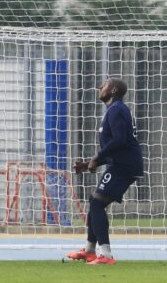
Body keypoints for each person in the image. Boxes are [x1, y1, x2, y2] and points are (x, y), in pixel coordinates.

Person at [66, 77, 144, 265]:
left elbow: (120, 140)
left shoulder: (117, 109)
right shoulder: (114, 110)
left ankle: (106, 255)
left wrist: (96, 158)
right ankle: (90, 250)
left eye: (105, 85)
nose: (100, 87)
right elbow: (117, 145)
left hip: (124, 166)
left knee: (97, 204)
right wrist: (92, 162)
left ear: (114, 89)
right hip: (120, 164)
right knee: (95, 202)